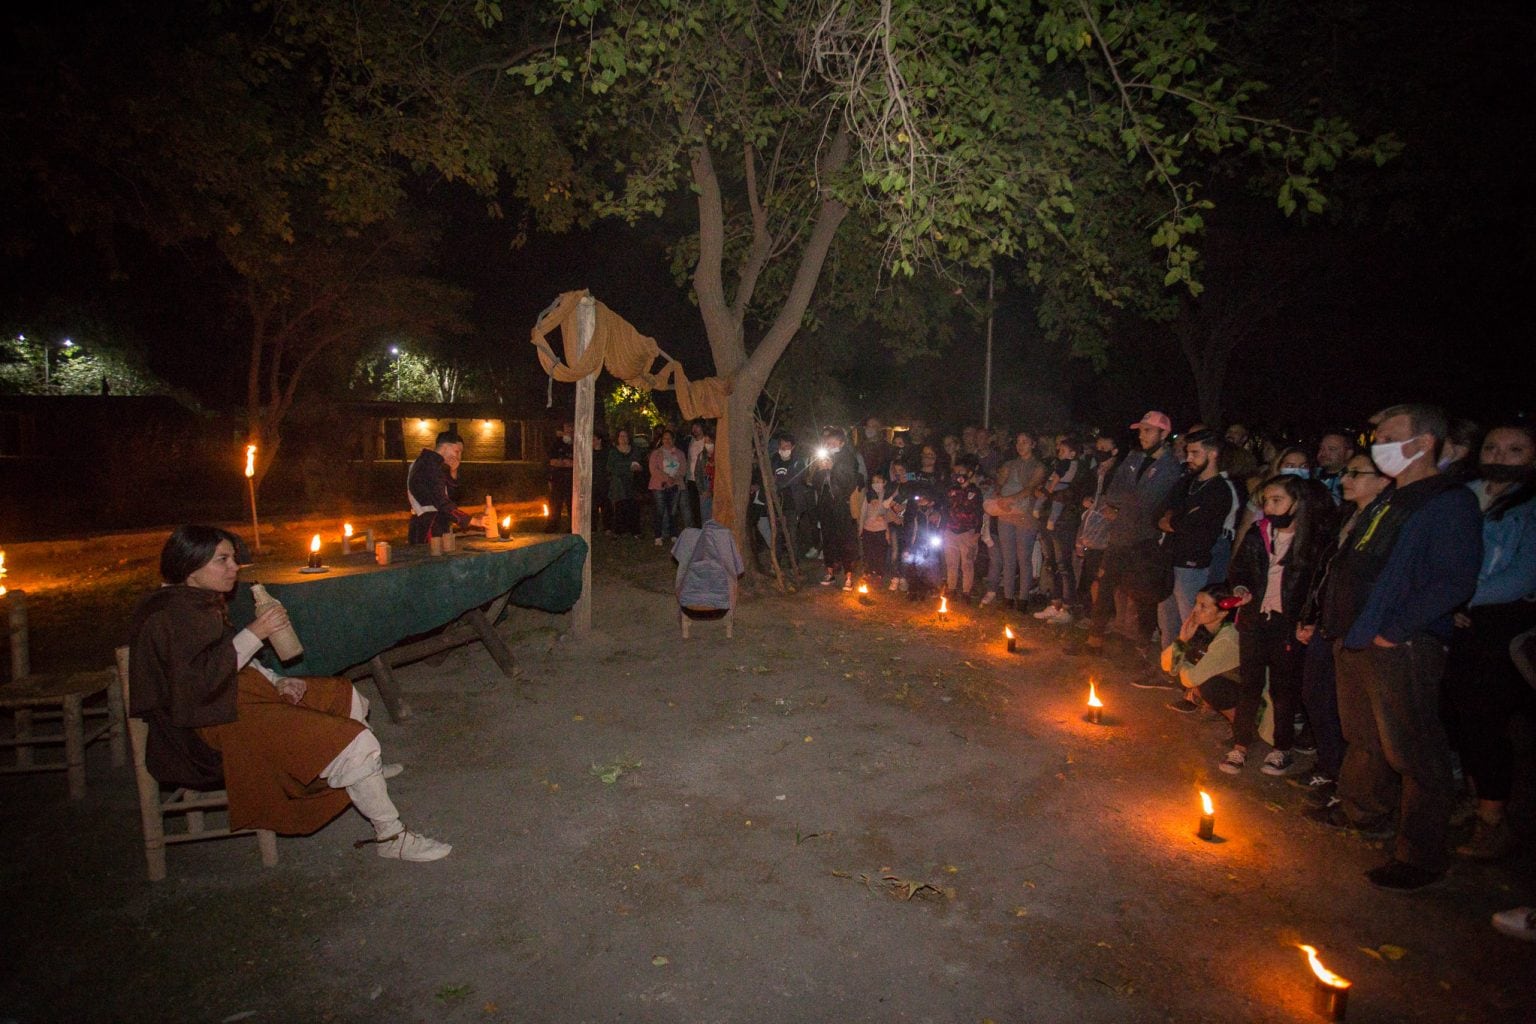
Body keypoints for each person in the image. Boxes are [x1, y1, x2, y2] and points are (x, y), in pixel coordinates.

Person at [129, 526, 450, 861]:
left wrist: (275, 679)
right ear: (189, 567)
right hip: (207, 726)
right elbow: (196, 684)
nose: (234, 568)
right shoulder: (169, 615)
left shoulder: (196, 600)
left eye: (233, 559)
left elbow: (222, 657)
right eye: (221, 560)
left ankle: (365, 775)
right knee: (353, 742)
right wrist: (257, 631)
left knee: (344, 694)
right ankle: (390, 836)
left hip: (231, 696)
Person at [1308, 403, 1482, 892]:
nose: (1377, 441)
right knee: (1363, 736)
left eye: (1388, 434)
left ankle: (1421, 855)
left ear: (1424, 442)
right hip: (1356, 637)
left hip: (1399, 645)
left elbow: (1452, 580)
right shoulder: (1390, 499)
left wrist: (1394, 629)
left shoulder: (1448, 502)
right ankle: (1362, 810)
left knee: (1414, 751)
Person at [1442, 422, 1536, 860]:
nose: (1500, 456)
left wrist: (1461, 597)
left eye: (1515, 449)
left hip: (1501, 623)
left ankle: (1493, 820)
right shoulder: (1468, 494)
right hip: (1455, 613)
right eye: (1494, 447)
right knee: (1456, 714)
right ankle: (1472, 793)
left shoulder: (1528, 508)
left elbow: (1520, 576)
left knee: (1485, 720)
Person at [1293, 451, 1393, 801]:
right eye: (1346, 472)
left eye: (1357, 473)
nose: (1346, 479)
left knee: (1349, 709)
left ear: (1384, 481)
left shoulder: (1387, 523)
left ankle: (1348, 784)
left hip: (1357, 626)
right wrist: (1311, 614)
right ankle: (1330, 764)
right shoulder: (1349, 517)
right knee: (1315, 694)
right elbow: (1326, 572)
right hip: (1330, 620)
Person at [1220, 474, 1323, 776]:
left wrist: (1308, 620)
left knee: (1283, 688)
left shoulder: (1312, 541)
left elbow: (1316, 586)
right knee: (1249, 683)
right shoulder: (1258, 532)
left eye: (1277, 500)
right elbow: (1239, 570)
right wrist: (1239, 589)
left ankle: (1282, 748)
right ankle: (1240, 745)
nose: (1270, 506)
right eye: (1266, 500)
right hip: (1255, 619)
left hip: (1287, 624)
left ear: (1297, 502)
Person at [1084, 412, 1182, 656]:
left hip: (1144, 540)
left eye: (1148, 431)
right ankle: (1094, 640)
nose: (1142, 435)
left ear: (1164, 433)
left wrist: (1121, 505)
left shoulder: (1170, 466)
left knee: (1143, 594)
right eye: (1141, 430)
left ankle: (1142, 647)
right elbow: (1115, 489)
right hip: (1120, 535)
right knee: (1106, 585)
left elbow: (1146, 501)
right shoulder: (1134, 458)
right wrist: (1118, 504)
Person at [1156, 427, 1240, 648]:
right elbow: (1162, 510)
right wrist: (1175, 519)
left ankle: (1192, 675)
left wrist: (1174, 520)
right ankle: (1169, 668)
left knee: (1192, 622)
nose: (1188, 458)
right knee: (1168, 621)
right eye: (1188, 452)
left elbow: (1196, 525)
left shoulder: (1219, 490)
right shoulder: (1187, 482)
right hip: (1171, 559)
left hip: (1193, 565)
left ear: (1213, 454)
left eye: (1195, 453)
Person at [1034, 435, 1094, 624]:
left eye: (1063, 446)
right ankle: (1055, 603)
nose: (1058, 449)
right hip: (1047, 516)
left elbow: (1072, 493)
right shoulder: (1055, 464)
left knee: (1063, 564)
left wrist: (1052, 492)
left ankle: (1067, 607)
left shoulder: (1079, 469)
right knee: (1050, 562)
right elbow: (1046, 485)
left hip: (1064, 520)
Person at [1160, 583, 1242, 716]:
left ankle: (1242, 728)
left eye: (1203, 606)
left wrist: (1179, 662)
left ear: (1222, 613)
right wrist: (1182, 640)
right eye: (1196, 603)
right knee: (1185, 664)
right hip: (1219, 678)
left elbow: (1190, 679)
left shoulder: (1228, 638)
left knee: (1211, 687)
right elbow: (1165, 664)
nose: (1195, 610)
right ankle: (1201, 701)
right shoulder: (1201, 627)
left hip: (1245, 690)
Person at [987, 432, 1046, 610]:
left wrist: (1009, 500)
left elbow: (1030, 488)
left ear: (1033, 444)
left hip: (1025, 514)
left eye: (1025, 442)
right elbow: (998, 483)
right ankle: (1008, 596)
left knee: (1023, 557)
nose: (1021, 446)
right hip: (1005, 513)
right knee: (1008, 556)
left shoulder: (1038, 466)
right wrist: (999, 499)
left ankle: (1023, 598)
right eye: (1018, 442)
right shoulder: (1009, 464)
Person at [407, 430, 483, 545]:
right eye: (457, 451)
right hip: (429, 528)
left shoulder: (431, 464)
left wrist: (453, 472)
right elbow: (441, 502)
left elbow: (451, 497)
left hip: (433, 524)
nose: (459, 457)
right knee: (432, 561)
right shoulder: (429, 466)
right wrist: (472, 521)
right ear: (445, 446)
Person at [810, 427, 862, 589]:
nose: (830, 445)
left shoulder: (848, 458)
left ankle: (848, 576)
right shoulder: (822, 458)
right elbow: (815, 484)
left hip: (842, 506)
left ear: (841, 442)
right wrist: (821, 470)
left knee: (845, 541)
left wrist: (833, 469)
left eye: (833, 442)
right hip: (826, 506)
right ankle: (830, 572)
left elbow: (849, 484)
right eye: (828, 443)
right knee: (828, 540)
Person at [943, 456, 984, 600]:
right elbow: (946, 508)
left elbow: (979, 512)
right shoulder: (951, 490)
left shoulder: (975, 491)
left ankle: (966, 591)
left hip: (967, 532)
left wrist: (977, 532)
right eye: (956, 472)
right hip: (950, 530)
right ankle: (951, 588)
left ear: (970, 473)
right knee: (951, 562)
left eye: (962, 471)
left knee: (967, 562)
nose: (958, 475)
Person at [648, 428, 687, 547]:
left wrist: (675, 478)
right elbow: (653, 469)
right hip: (660, 486)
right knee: (660, 511)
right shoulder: (656, 453)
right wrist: (666, 478)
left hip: (675, 485)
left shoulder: (679, 453)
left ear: (673, 439)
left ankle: (673, 534)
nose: (667, 440)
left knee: (673, 511)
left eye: (669, 438)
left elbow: (683, 468)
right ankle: (658, 536)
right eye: (665, 438)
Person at [606, 428, 644, 537]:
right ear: (617, 438)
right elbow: (611, 467)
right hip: (619, 484)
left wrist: (637, 468)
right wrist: (627, 466)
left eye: (625, 436)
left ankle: (635, 531)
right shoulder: (613, 452)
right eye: (621, 436)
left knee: (633, 506)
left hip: (633, 483)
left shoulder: (635, 450)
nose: (623, 438)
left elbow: (639, 465)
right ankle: (619, 530)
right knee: (619, 507)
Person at [546, 421, 575, 533]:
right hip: (558, 477)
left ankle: (573, 526)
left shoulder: (576, 443)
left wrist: (569, 463)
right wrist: (563, 462)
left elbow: (577, 462)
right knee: (555, 503)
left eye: (572, 427)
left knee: (572, 503)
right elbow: (552, 461)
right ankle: (553, 525)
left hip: (572, 478)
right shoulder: (557, 443)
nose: (570, 429)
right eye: (567, 427)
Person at [1315, 430, 1356, 503]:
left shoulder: (1353, 481)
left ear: (1348, 453)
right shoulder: (1310, 475)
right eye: (1321, 448)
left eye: (1332, 449)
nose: (1323, 453)